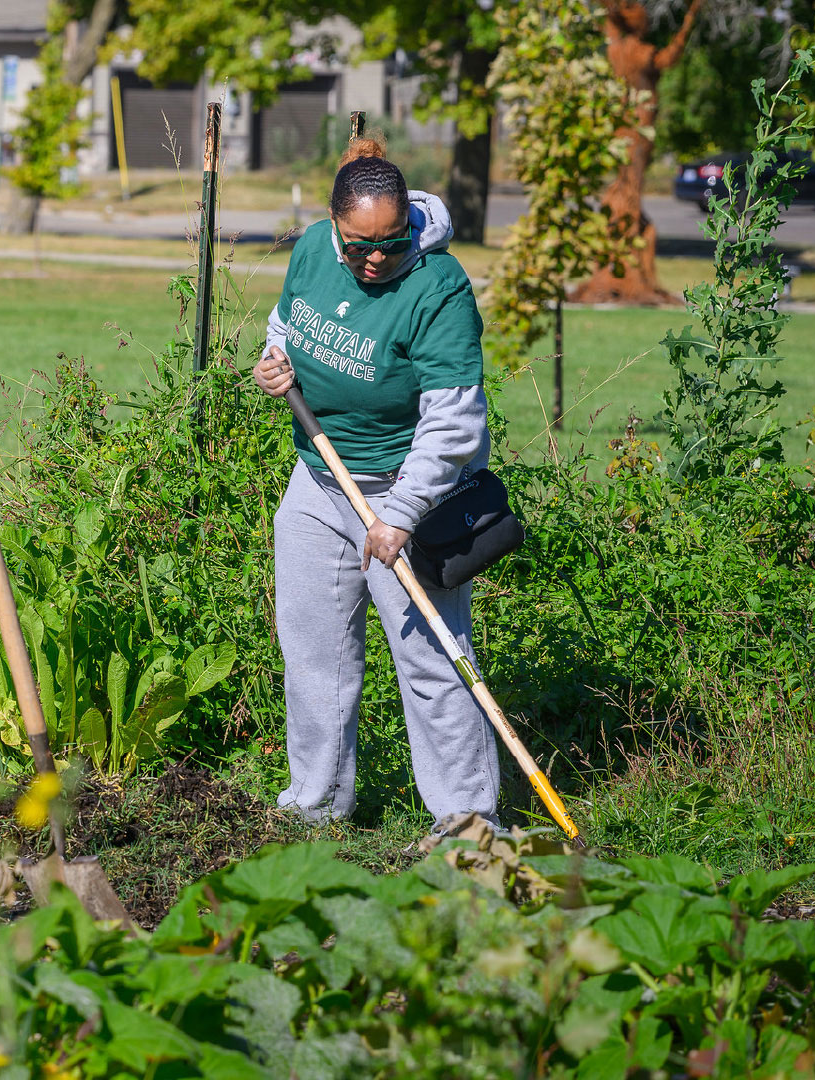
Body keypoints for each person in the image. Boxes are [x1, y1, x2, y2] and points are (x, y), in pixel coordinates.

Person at [251, 137, 498, 827]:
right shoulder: (309, 251)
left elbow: (454, 421)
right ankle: (318, 803)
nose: (375, 259)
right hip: (321, 478)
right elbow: (287, 324)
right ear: (334, 225)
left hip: (405, 489)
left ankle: (469, 822)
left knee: (431, 659)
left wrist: (404, 514)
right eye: (359, 244)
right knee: (312, 651)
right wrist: (276, 362)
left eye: (391, 243)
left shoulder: (437, 286)